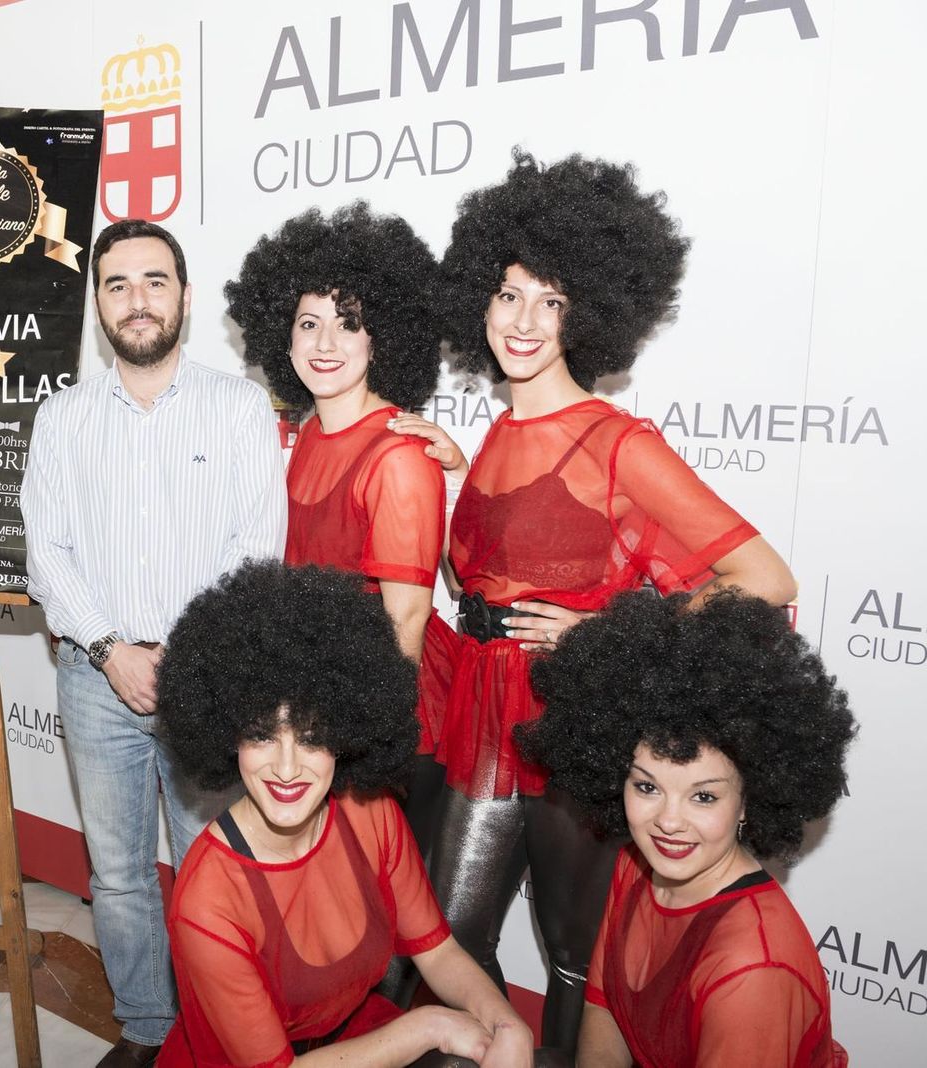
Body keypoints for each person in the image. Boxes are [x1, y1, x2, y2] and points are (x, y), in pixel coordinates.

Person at [388, 151, 798, 1049]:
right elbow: (495, 567)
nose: (524, 321)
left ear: (593, 316)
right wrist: (447, 468)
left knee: (580, 960)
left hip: (574, 721)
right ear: (479, 301)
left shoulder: (620, 445)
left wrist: (611, 630)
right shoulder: (492, 431)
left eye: (554, 301)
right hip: (481, 717)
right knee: (447, 939)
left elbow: (766, 582)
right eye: (508, 294)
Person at [21, 219, 288, 1067]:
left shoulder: (239, 407)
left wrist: (188, 659)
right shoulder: (61, 417)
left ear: (184, 296)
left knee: (215, 870)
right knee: (119, 873)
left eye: (154, 281)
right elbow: (45, 550)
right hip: (94, 675)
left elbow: (257, 546)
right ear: (98, 303)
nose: (137, 302)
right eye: (118, 285)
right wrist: (110, 650)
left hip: (205, 678)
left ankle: (217, 1029)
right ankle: (146, 1026)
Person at [155, 561, 535, 1068]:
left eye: (311, 736)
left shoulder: (368, 812)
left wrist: (507, 1022)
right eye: (262, 734)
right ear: (228, 734)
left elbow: (438, 952)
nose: (287, 768)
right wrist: (429, 1024)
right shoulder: (208, 900)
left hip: (353, 1043)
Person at [522, 590, 853, 1067]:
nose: (668, 822)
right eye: (647, 787)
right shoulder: (637, 864)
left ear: (748, 801)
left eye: (704, 796)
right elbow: (603, 1009)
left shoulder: (753, 965)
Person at [223, 200, 448, 844]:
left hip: (382, 707)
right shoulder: (307, 439)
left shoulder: (399, 455)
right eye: (308, 323)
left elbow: (407, 618)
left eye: (348, 324)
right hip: (316, 699)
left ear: (381, 337)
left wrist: (370, 736)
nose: (325, 344)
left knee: (383, 907)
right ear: (282, 335)